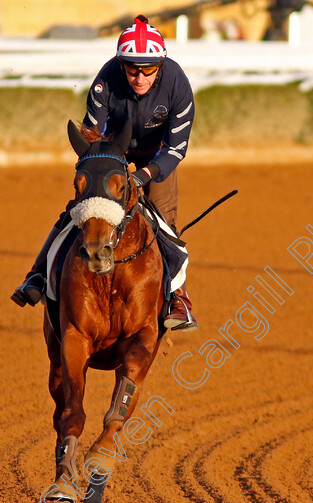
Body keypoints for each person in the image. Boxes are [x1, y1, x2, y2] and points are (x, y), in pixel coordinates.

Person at [11, 14, 199, 332]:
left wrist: (145, 175)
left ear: (161, 65)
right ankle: (38, 275)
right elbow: (93, 134)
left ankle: (177, 298)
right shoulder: (106, 80)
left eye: (148, 70)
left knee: (164, 224)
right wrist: (105, 168)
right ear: (120, 64)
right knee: (80, 212)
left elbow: (175, 149)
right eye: (131, 69)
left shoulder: (177, 85)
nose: (139, 77)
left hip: (157, 159)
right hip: (112, 154)